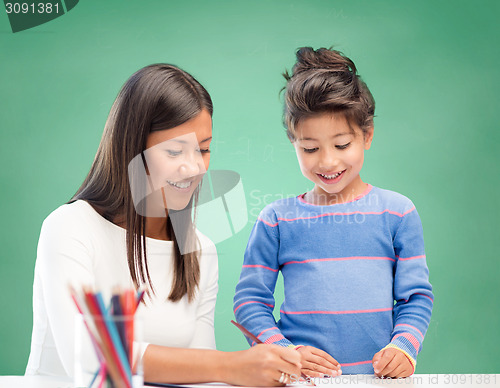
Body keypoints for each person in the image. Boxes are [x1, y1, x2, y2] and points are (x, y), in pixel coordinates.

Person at [25, 64, 302, 386]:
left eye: (204, 149)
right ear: (132, 148)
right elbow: (90, 356)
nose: (195, 167)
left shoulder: (199, 250)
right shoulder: (70, 227)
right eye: (174, 151)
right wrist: (230, 366)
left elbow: (199, 372)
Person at [233, 47, 434, 379]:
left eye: (342, 145)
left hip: (377, 382)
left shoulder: (398, 213)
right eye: (310, 148)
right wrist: (284, 351)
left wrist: (404, 346)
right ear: (293, 142)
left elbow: (416, 297)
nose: (327, 162)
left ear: (366, 136)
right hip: (301, 382)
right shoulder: (277, 219)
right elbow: (249, 301)